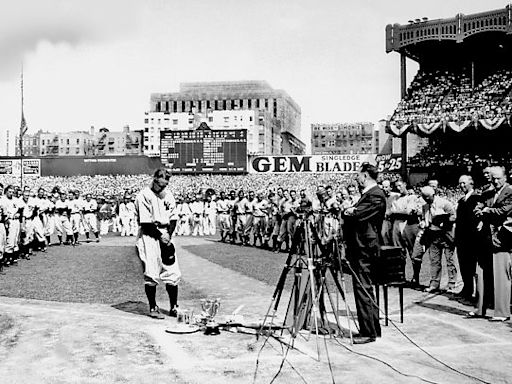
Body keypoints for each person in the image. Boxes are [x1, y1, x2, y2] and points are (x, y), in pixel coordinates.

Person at [343, 163, 386, 344]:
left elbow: (359, 216)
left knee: (363, 288)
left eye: (359, 175)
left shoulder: (375, 194)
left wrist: (350, 211)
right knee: (363, 287)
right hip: (360, 247)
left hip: (365, 248)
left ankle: (368, 332)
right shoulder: (368, 195)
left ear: (366, 175)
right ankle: (372, 329)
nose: (357, 178)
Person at [135, 168, 181, 319]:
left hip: (166, 233)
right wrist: (161, 236)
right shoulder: (144, 195)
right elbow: (145, 223)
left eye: (165, 184)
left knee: (172, 271)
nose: (163, 187)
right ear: (154, 179)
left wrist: (168, 234)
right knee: (152, 272)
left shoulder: (168, 194)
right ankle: (153, 307)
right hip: (150, 236)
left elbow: (173, 217)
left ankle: (174, 307)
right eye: (160, 184)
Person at [475, 166, 512, 321]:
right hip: (487, 238)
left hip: (502, 239)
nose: (495, 181)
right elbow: (479, 206)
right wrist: (482, 209)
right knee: (481, 273)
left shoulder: (510, 191)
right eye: (493, 178)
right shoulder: (488, 193)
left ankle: (502, 312)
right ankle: (480, 309)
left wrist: (486, 211)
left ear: (505, 177)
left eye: (498, 178)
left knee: (501, 276)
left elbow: (504, 211)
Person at [420, 186, 458, 293]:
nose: (426, 199)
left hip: (446, 235)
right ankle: (434, 283)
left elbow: (453, 216)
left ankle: (452, 283)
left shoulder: (444, 203)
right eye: (424, 197)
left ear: (433, 195)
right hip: (433, 235)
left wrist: (443, 221)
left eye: (428, 197)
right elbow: (424, 219)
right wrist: (423, 223)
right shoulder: (425, 207)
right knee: (434, 261)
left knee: (449, 260)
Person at [455, 175, 481, 303]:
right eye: (460, 183)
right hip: (461, 238)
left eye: (464, 183)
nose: (462, 186)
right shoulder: (461, 200)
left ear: (471, 183)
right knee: (464, 265)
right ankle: (467, 289)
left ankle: (476, 293)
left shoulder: (476, 198)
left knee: (472, 266)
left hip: (472, 239)